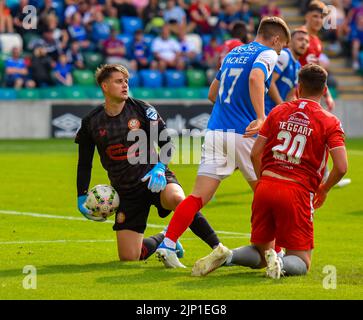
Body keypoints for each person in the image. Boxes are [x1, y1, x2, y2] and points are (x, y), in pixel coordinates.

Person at [156, 17, 291, 268]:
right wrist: (261, 117)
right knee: (267, 192)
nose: (280, 51)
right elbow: (255, 79)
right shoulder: (267, 54)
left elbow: (211, 93)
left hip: (216, 131)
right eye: (281, 46)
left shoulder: (233, 53)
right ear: (275, 39)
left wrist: (229, 112)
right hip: (245, 134)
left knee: (197, 196)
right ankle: (277, 252)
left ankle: (168, 243)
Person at [191, 64, 348, 279]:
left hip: (266, 186)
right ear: (324, 90)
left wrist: (263, 180)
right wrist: (324, 189)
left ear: (298, 88)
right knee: (302, 260)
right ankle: (281, 262)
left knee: (260, 252)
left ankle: (228, 256)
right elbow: (341, 167)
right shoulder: (330, 121)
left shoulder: (278, 111)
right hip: (297, 192)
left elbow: (256, 153)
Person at [75, 64, 221, 262]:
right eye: (119, 81)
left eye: (126, 81)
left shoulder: (142, 110)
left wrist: (160, 168)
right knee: (129, 257)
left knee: (178, 199)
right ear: (105, 86)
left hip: (155, 179)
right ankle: (164, 237)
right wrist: (81, 195)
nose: (125, 85)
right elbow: (84, 163)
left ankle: (218, 248)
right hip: (126, 191)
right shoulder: (92, 122)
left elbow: (167, 144)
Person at [265, 27, 310, 114]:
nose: (304, 43)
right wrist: (282, 106)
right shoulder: (284, 55)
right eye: (300, 39)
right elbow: (269, 81)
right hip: (264, 110)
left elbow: (291, 94)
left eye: (307, 41)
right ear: (289, 43)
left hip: (274, 113)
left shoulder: (298, 67)